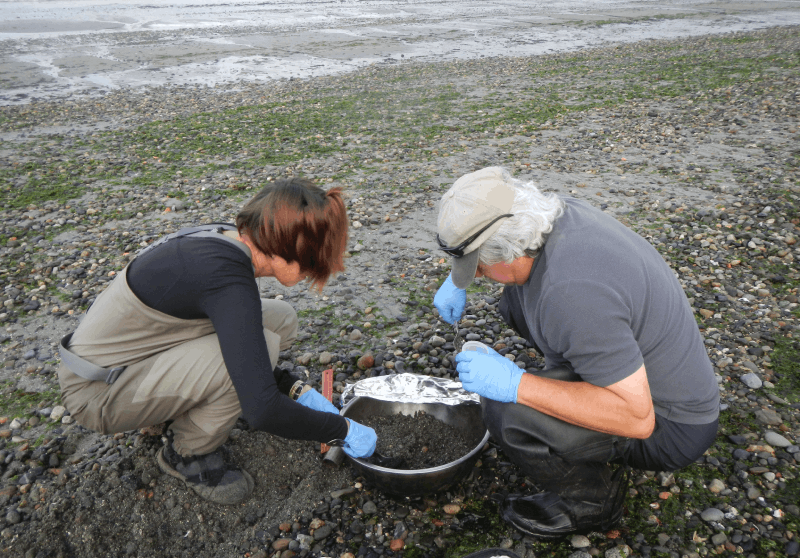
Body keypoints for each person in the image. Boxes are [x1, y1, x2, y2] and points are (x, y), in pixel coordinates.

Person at [433, 167, 719, 539]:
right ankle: (582, 378)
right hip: (653, 375)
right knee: (516, 303)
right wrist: (457, 280)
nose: (478, 276)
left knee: (505, 411)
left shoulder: (570, 294)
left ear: (508, 250)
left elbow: (638, 420)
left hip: (670, 425)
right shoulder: (554, 215)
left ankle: (592, 504)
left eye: (479, 269)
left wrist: (518, 385)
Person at [58, 178, 376, 505]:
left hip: (135, 354)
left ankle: (175, 406)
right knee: (263, 347)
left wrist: (284, 384)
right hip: (96, 392)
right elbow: (262, 412)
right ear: (291, 249)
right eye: (313, 263)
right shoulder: (226, 279)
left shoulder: (231, 242)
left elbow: (234, 330)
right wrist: (342, 429)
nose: (313, 274)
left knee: (281, 320)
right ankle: (188, 452)